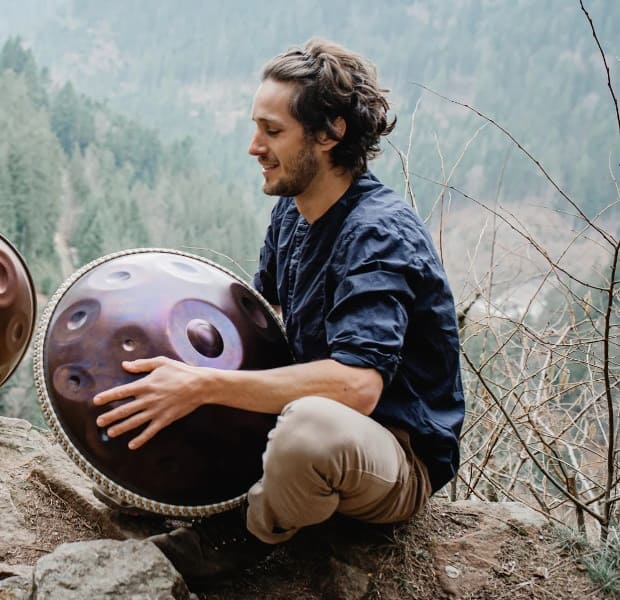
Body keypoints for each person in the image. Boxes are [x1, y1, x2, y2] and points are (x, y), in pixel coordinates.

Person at [93, 38, 464, 579]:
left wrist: (202, 387)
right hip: (301, 418)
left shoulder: (378, 234)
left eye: (272, 131)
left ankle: (241, 536)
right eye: (256, 128)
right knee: (195, 369)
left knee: (308, 429)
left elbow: (358, 388)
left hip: (389, 453)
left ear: (330, 133)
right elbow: (256, 327)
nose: (254, 147)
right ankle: (205, 492)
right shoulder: (292, 213)